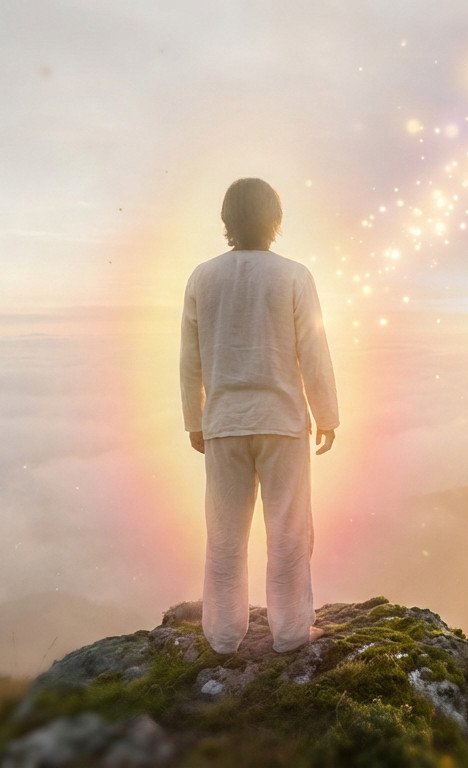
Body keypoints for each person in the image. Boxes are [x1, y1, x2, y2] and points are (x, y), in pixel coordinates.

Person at [179, 177, 339, 654]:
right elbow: (313, 349)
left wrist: (195, 419)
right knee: (288, 533)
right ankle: (290, 633)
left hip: (224, 422)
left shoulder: (202, 277)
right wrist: (327, 413)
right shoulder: (293, 275)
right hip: (283, 423)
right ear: (276, 220)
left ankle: (224, 637)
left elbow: (191, 359)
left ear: (227, 221)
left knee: (224, 536)